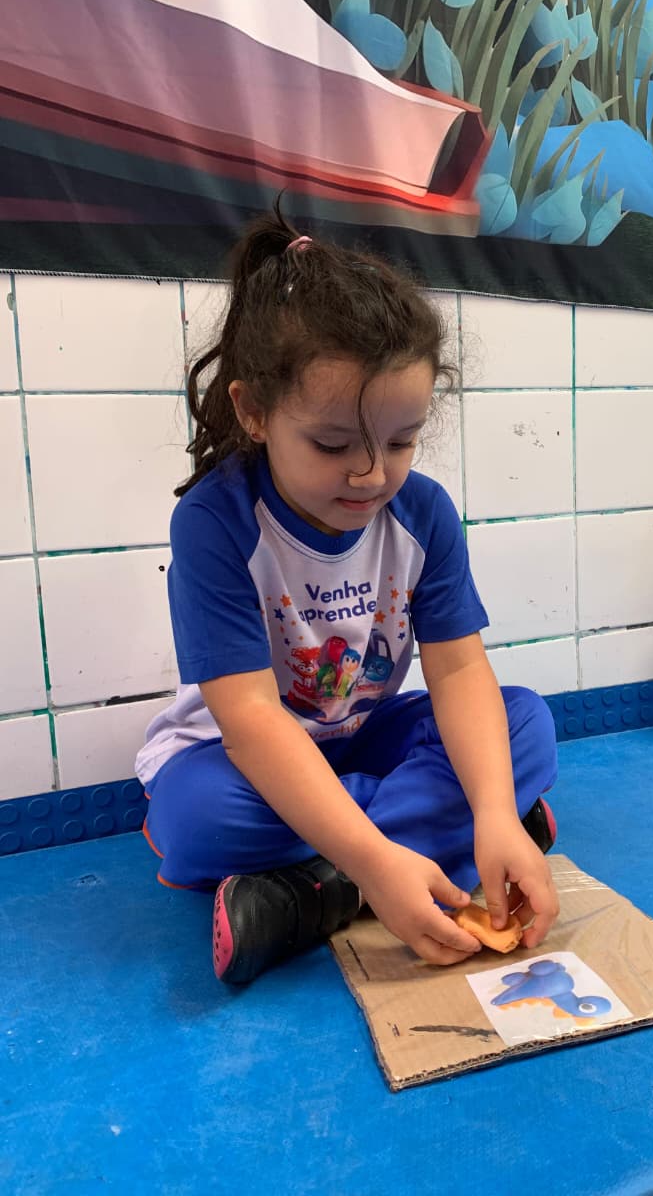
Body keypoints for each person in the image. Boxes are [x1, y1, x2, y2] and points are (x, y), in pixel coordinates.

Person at [134, 208, 560, 985]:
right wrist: (380, 857)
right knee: (195, 819)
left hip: (359, 735)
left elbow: (461, 672)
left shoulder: (423, 513)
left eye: (401, 441)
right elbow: (252, 723)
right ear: (254, 412)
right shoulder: (214, 522)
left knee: (526, 724)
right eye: (333, 445)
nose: (370, 473)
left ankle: (316, 887)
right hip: (236, 757)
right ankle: (411, 845)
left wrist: (496, 811)